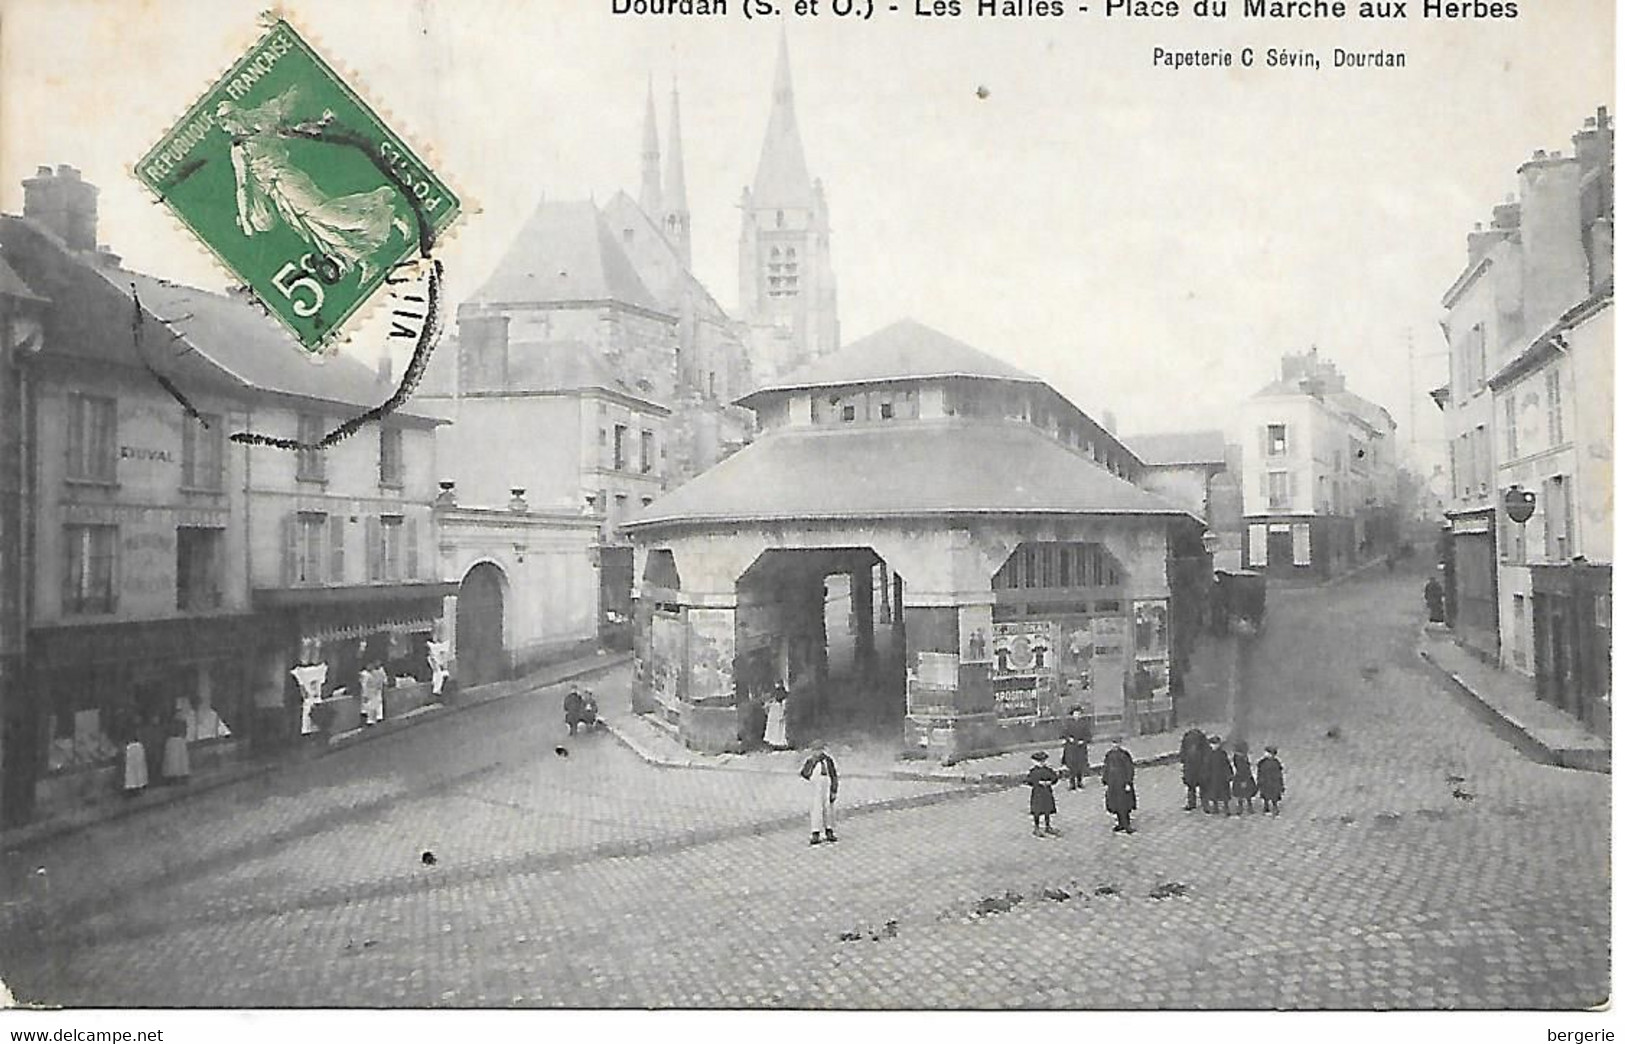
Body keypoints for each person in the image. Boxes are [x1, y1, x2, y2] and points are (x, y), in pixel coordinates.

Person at [801, 741, 839, 845]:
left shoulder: (828, 761)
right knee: (816, 809)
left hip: (826, 785)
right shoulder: (811, 761)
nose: (818, 753)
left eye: (820, 750)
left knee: (828, 809)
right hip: (815, 787)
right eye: (815, 750)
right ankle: (815, 832)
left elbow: (834, 775)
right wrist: (810, 776)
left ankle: (829, 830)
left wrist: (834, 790)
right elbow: (804, 773)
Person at [1101, 737, 1136, 833]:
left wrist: (1128, 782)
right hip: (1113, 784)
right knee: (1115, 804)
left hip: (1122, 783)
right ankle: (1120, 823)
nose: (1115, 746)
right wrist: (1105, 779)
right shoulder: (1109, 755)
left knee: (1124, 804)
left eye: (1117, 743)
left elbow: (1129, 769)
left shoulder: (1124, 755)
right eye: (1113, 743)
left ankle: (1127, 824)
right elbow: (1106, 767)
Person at [1025, 751, 1060, 837]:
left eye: (1043, 761)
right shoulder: (1033, 771)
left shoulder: (1048, 770)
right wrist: (1038, 783)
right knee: (1037, 810)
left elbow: (1055, 778)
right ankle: (1036, 828)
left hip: (1047, 792)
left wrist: (1050, 782)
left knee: (1047, 809)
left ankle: (1048, 826)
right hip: (1037, 793)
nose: (1041, 763)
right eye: (1039, 761)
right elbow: (1029, 781)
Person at [1060, 707, 1091, 790]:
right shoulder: (1068, 724)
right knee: (1071, 766)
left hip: (1080, 748)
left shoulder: (1084, 724)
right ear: (1072, 715)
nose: (1077, 715)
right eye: (1075, 714)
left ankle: (1080, 781)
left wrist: (1083, 741)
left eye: (1078, 714)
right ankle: (1072, 783)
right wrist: (1069, 739)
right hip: (1071, 747)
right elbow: (1064, 733)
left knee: (1080, 765)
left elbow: (1088, 735)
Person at [1203, 735, 1234, 816]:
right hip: (1212, 777)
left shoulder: (1222, 754)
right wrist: (1205, 775)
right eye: (1213, 744)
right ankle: (1215, 807)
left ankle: (1226, 807)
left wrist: (1229, 774)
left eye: (1216, 744)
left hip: (1222, 776)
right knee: (1213, 793)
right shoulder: (1208, 754)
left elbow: (1227, 764)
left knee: (1224, 794)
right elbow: (1206, 766)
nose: (1214, 746)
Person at [1179, 726, 1208, 811]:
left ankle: (1204, 803)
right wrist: (1183, 760)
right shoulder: (1187, 737)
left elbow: (1206, 750)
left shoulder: (1201, 737)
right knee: (1191, 786)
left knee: (1202, 785)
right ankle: (1192, 803)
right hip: (1190, 765)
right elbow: (1183, 750)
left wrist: (1206, 762)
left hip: (1199, 765)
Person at [1256, 745, 1286, 815]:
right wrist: (1259, 780)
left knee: (1274, 795)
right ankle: (1266, 807)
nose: (1265, 754)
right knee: (1265, 795)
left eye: (1267, 753)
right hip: (1265, 781)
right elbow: (1260, 772)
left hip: (1273, 782)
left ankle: (1275, 807)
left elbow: (1278, 774)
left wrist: (1280, 784)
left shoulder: (1276, 763)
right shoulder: (1262, 762)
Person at [1231, 740, 1257, 814]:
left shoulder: (1243, 757)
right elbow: (1241, 768)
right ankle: (1241, 806)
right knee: (1241, 793)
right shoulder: (1238, 758)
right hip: (1242, 777)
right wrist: (1243, 780)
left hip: (1246, 776)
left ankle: (1247, 805)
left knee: (1247, 792)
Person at [764, 685, 789, 750]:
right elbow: (767, 708)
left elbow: (785, 710)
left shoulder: (783, 703)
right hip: (774, 718)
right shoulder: (773, 703)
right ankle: (775, 743)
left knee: (780, 729)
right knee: (774, 729)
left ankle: (780, 743)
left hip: (779, 717)